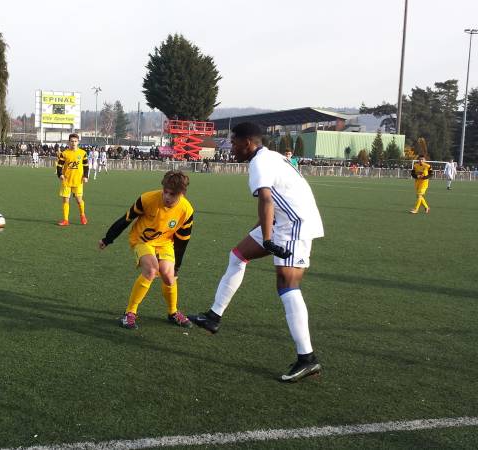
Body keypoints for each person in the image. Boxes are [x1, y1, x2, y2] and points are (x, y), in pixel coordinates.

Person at [189, 122, 324, 383]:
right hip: (282, 221)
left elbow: (266, 199)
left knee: (287, 284)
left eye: (234, 143)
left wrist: (268, 238)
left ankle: (307, 358)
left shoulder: (259, 163)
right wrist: (261, 232)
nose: (231, 148)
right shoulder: (269, 157)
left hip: (294, 225)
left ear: (248, 142)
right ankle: (213, 316)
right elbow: (275, 199)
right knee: (238, 255)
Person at [99, 170, 194, 329]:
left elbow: (182, 241)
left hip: (165, 243)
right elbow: (126, 219)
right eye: (165, 192)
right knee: (151, 270)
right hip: (141, 240)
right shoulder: (147, 199)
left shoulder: (186, 210)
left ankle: (173, 312)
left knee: (169, 276)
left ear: (182, 194)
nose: (167, 197)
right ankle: (130, 313)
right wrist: (108, 239)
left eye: (172, 194)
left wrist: (176, 267)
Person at [56, 133, 88, 226]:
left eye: (75, 141)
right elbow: (59, 166)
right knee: (66, 200)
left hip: (78, 180)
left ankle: (82, 215)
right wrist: (60, 174)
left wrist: (85, 176)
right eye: (72, 141)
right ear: (69, 142)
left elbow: (86, 166)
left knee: (79, 200)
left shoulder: (83, 153)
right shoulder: (64, 153)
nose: (73, 143)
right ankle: (65, 220)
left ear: (78, 142)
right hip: (66, 181)